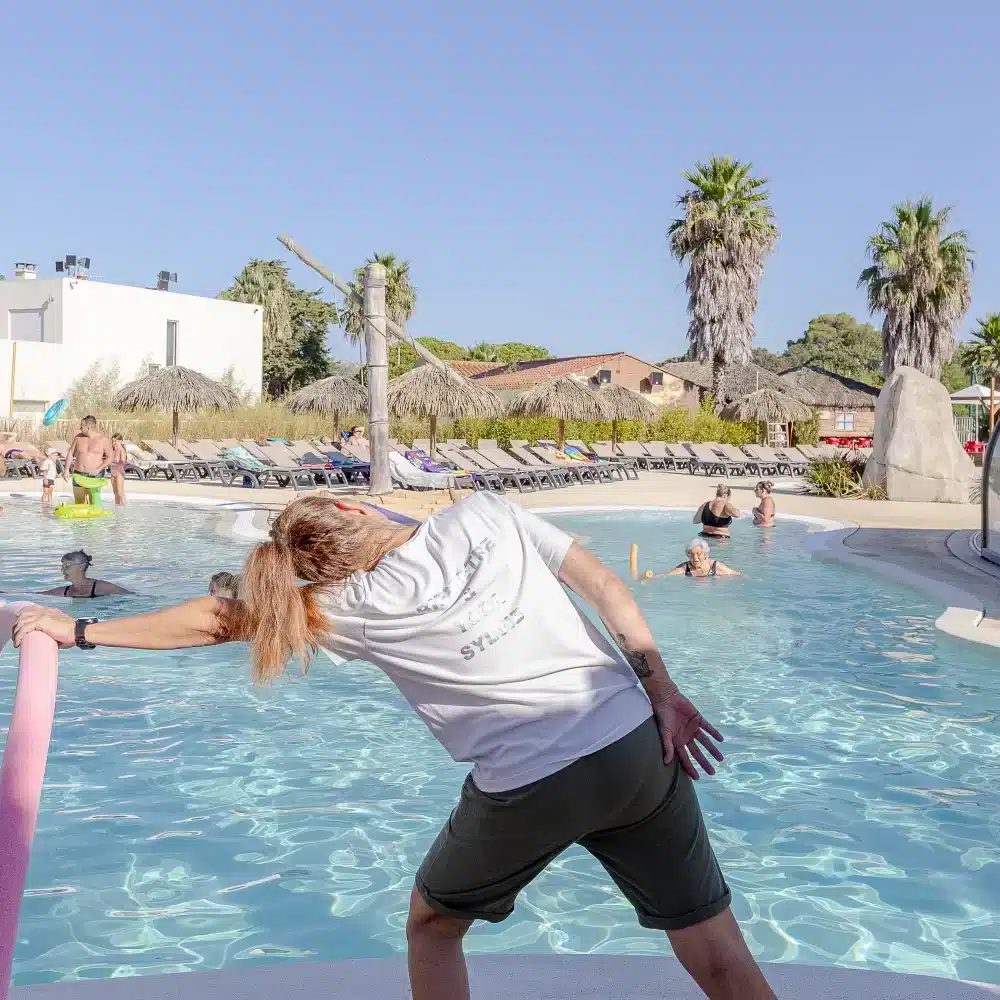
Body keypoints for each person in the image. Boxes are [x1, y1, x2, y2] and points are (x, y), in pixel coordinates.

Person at [14, 493, 775, 1000]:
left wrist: (78, 630)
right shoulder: (485, 513)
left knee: (432, 924)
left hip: (530, 786)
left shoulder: (348, 607)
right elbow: (608, 588)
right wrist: (664, 693)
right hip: (635, 743)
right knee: (709, 937)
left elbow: (219, 620)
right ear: (353, 506)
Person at [37, 550, 133, 598]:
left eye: (67, 566)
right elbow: (39, 595)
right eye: (62, 566)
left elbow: (133, 596)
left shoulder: (101, 587)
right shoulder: (65, 591)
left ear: (81, 566)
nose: (62, 570)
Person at [65, 416, 113, 505]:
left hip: (95, 474)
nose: (80, 428)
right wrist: (66, 470)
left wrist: (98, 469)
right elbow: (70, 454)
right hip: (78, 473)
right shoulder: (78, 438)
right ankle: (81, 519)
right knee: (79, 502)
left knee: (93, 501)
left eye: (81, 426)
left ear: (88, 427)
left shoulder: (103, 440)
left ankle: (93, 519)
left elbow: (110, 457)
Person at [668, 538, 740, 578]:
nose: (695, 558)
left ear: (705, 555)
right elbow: (666, 575)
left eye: (698, 554)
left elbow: (737, 575)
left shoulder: (715, 566)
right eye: (691, 555)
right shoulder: (685, 568)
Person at [109, 433, 128, 506]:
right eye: (112, 441)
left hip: (119, 473)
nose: (113, 443)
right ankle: (117, 508)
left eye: (115, 441)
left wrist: (111, 463)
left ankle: (124, 507)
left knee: (120, 492)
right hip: (112, 473)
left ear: (120, 441)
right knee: (115, 493)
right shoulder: (112, 450)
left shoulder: (121, 450)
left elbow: (123, 462)